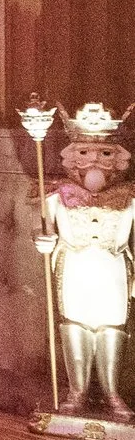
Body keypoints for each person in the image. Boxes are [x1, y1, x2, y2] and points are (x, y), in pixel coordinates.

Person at [40, 103, 135, 420]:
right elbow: (45, 230)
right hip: (76, 267)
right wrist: (42, 241)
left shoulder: (130, 197)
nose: (94, 159)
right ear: (72, 155)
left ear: (117, 157)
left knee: (111, 324)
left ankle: (112, 392)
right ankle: (76, 391)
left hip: (113, 267)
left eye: (104, 153)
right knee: (76, 322)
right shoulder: (56, 196)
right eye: (85, 152)